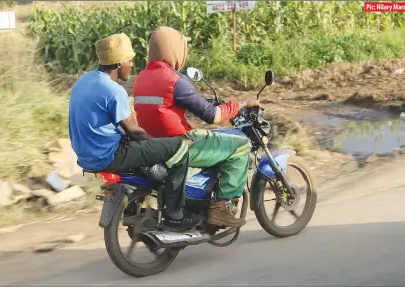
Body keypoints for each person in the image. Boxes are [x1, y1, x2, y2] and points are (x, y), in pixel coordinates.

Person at [68, 33, 201, 232]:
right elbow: (134, 132)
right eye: (130, 60)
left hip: (86, 156)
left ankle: (135, 207)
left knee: (150, 160)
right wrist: (160, 143)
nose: (132, 65)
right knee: (179, 147)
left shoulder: (84, 81)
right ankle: (175, 215)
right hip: (110, 154)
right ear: (119, 63)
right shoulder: (113, 90)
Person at [132, 26, 261, 228]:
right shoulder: (175, 79)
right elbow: (213, 115)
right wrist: (240, 104)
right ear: (174, 49)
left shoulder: (141, 78)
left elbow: (168, 106)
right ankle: (220, 207)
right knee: (240, 144)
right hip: (181, 144)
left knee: (216, 138)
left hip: (153, 144)